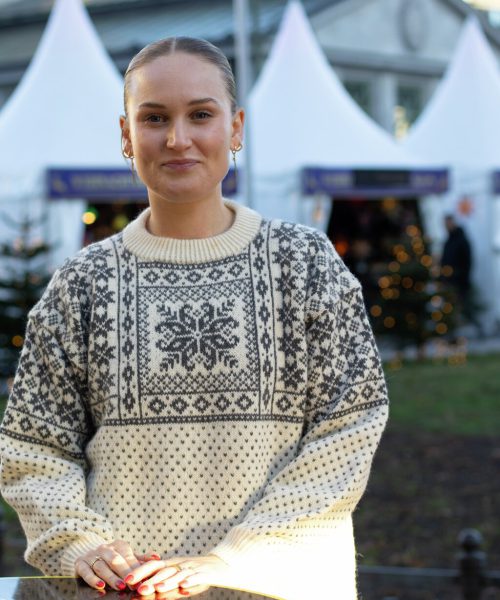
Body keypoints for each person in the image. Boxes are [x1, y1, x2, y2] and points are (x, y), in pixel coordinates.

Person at [0, 37, 389, 600]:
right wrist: (81, 542)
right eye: (154, 118)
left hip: (282, 587)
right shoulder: (81, 285)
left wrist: (235, 558)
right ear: (126, 135)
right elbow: (34, 447)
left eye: (200, 115)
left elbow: (350, 426)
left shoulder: (305, 264)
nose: (177, 139)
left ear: (235, 128)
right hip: (129, 590)